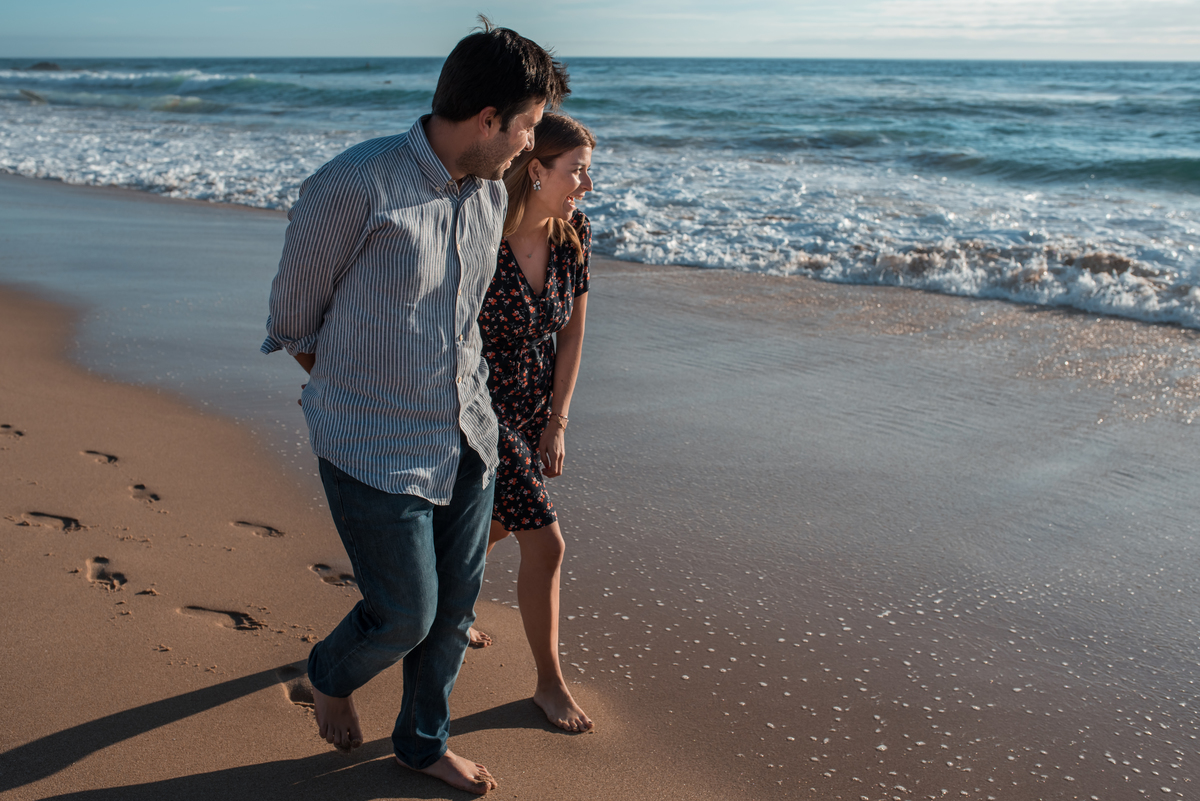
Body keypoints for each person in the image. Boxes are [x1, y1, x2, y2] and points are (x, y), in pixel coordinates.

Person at [262, 18, 569, 796]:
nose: (530, 147)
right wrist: (362, 390)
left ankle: (421, 740)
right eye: (527, 127)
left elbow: (461, 317)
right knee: (404, 611)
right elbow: (295, 321)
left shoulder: (489, 191)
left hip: (468, 430)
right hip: (370, 443)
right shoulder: (352, 186)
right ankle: (329, 671)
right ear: (488, 119)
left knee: (455, 608)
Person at [470, 113, 596, 733]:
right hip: (475, 410)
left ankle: (432, 601)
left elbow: (572, 333)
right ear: (537, 169)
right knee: (546, 542)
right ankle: (548, 684)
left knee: (492, 522)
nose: (587, 185)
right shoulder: (481, 236)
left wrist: (558, 421)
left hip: (533, 408)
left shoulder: (576, 234)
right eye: (576, 171)